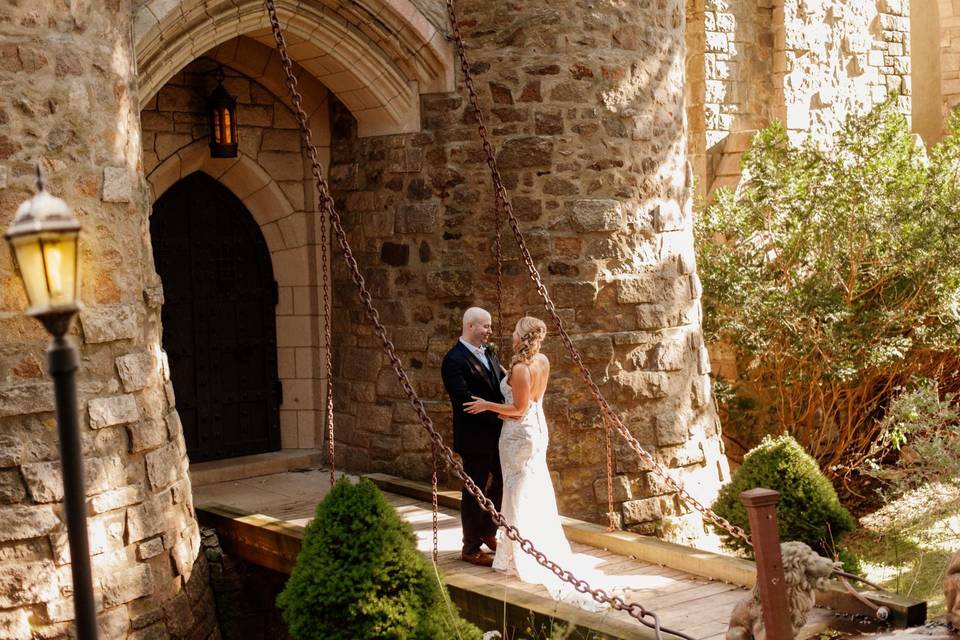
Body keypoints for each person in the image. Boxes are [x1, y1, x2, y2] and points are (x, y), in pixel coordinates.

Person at [464, 316, 606, 610]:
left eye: (515, 331)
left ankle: (519, 556)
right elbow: (526, 394)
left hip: (517, 435)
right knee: (533, 489)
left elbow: (517, 408)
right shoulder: (541, 361)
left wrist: (486, 404)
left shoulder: (520, 368)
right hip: (537, 430)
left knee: (516, 492)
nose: (511, 334)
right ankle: (528, 547)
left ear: (522, 337)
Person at [441, 307, 505, 567]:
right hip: (474, 436)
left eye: (489, 326)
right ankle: (470, 547)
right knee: (474, 489)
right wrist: (500, 414)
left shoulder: (490, 352)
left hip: (498, 433)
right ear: (470, 326)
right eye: (485, 326)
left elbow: (499, 383)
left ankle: (488, 529)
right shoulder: (453, 360)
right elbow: (466, 402)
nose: (490, 331)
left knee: (504, 480)